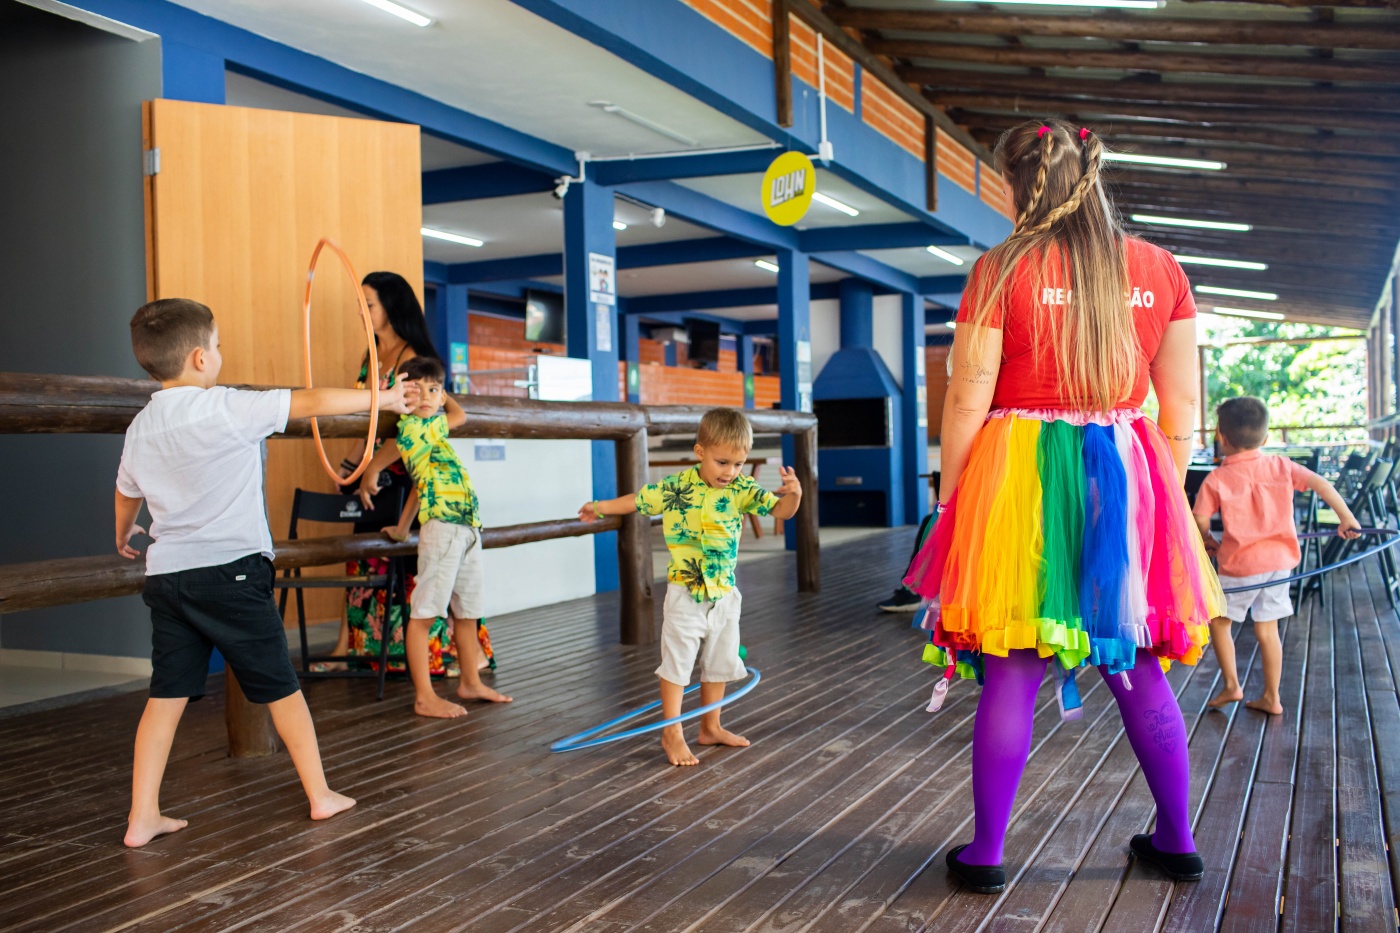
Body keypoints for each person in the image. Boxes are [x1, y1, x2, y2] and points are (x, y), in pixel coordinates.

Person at [902, 119, 1227, 893]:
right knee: (1136, 661)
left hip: (1018, 475)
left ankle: (986, 853)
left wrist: (951, 503)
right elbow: (1182, 405)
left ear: (1017, 184)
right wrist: (1159, 501)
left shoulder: (1002, 266)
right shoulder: (1160, 268)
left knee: (1013, 666)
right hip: (1127, 468)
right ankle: (1177, 838)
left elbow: (966, 402)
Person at [114, 298, 415, 847]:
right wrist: (385, 398)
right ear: (201, 358)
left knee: (165, 696)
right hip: (231, 573)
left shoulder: (140, 427)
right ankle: (320, 795)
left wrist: (122, 532)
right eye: (219, 345)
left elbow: (125, 492)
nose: (220, 354)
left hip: (168, 578)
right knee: (281, 687)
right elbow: (313, 401)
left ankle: (142, 815)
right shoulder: (227, 406)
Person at [579, 408, 802, 766]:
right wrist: (600, 507)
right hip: (685, 592)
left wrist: (795, 494)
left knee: (720, 661)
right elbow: (637, 501)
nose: (730, 472)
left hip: (724, 594)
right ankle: (672, 731)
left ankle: (710, 726)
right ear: (700, 452)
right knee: (678, 663)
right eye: (722, 462)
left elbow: (782, 511)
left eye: (738, 464)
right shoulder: (676, 487)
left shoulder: (742, 489)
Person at [329, 271, 494, 676]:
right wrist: (350, 467)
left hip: (407, 472)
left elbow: (413, 426)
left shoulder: (412, 357)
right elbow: (370, 423)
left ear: (391, 307)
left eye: (368, 305)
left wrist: (372, 466)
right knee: (366, 556)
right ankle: (357, 648)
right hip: (376, 467)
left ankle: (443, 653)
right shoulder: (371, 355)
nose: (362, 312)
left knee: (418, 567)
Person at [359, 356, 510, 718]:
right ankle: (425, 696)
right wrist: (444, 395)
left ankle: (470, 681)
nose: (425, 397)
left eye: (432, 390)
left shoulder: (432, 437)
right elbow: (460, 416)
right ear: (403, 397)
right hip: (443, 529)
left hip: (467, 527)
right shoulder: (414, 427)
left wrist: (401, 528)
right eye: (416, 391)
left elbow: (418, 486)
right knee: (425, 614)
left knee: (468, 612)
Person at [1193, 397, 1360, 715]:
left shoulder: (1217, 479)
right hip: (1279, 564)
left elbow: (1199, 518)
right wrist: (1346, 518)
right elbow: (1321, 484)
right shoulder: (1282, 466)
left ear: (1221, 437)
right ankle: (1272, 697)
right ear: (1266, 437)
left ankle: (1232, 685)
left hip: (1239, 565)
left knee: (1220, 622)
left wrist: (1207, 539)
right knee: (1267, 629)